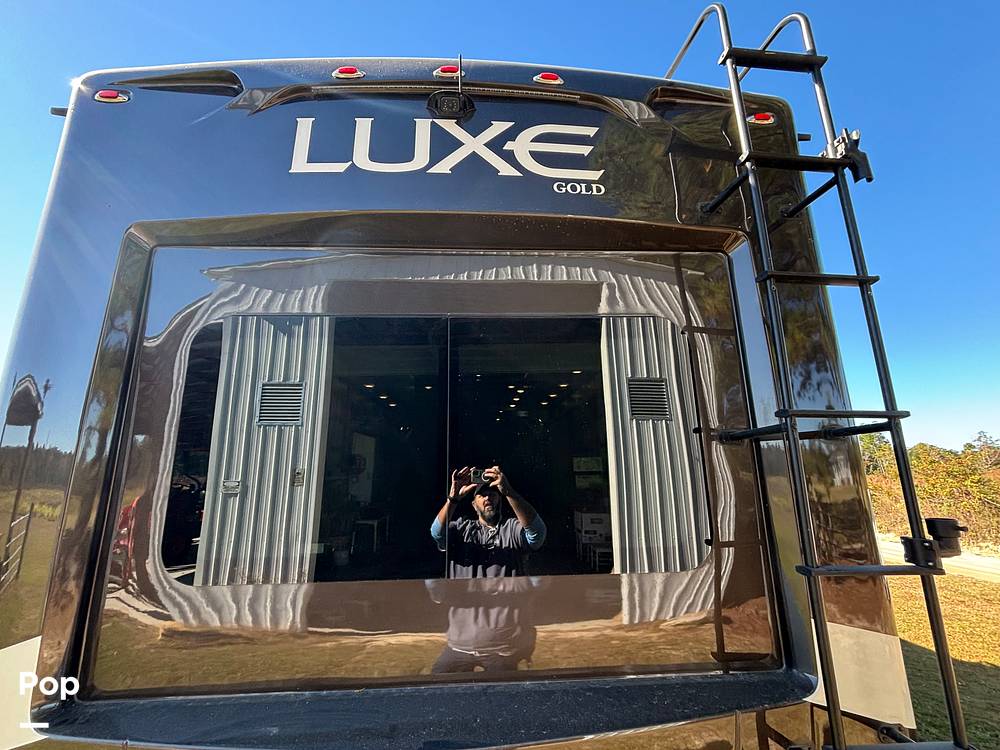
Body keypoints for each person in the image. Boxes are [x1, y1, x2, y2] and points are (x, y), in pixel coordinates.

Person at [430, 465, 546, 578]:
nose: (487, 498)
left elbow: (537, 534)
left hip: (505, 592)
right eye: (482, 495)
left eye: (492, 494)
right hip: (467, 592)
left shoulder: (511, 528)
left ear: (499, 500)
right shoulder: (463, 528)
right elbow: (437, 533)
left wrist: (508, 492)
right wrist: (453, 499)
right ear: (474, 505)